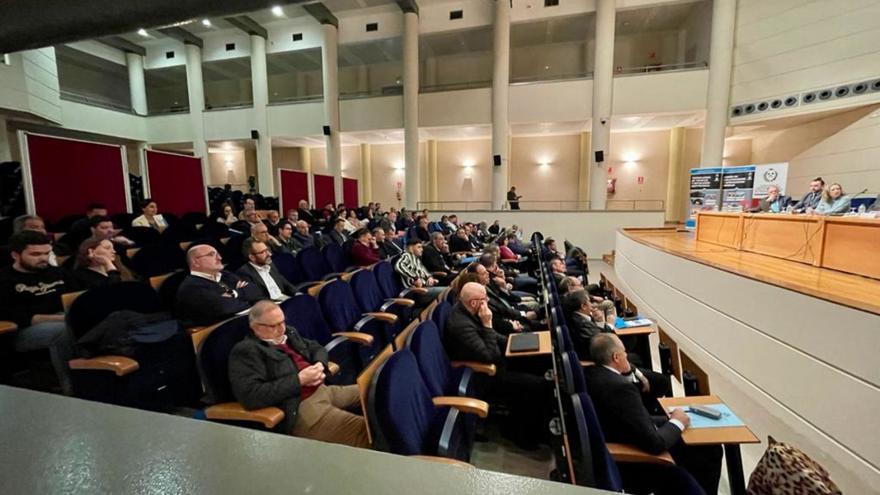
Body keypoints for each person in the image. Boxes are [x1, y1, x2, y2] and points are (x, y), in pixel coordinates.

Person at [585, 334, 722, 495]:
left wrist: (668, 420)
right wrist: (677, 422)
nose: (627, 355)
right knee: (710, 449)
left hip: (627, 439)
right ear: (616, 357)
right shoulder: (620, 388)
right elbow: (655, 444)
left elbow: (634, 420)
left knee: (704, 448)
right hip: (638, 464)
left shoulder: (593, 374)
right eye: (624, 352)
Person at [228, 301, 369, 447]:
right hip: (302, 407)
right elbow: (251, 396)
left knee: (378, 390)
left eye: (282, 322)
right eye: (273, 325)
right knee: (366, 432)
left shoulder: (289, 333)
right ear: (256, 327)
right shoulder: (247, 350)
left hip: (324, 390)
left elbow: (317, 348)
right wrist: (299, 380)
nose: (281, 329)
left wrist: (319, 364)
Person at [443, 282, 549, 449]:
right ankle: (521, 435)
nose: (487, 301)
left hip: (495, 361)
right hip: (483, 375)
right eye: (484, 299)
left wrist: (514, 342)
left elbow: (493, 339)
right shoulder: (461, 325)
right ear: (474, 303)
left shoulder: (470, 310)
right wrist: (488, 324)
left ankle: (541, 426)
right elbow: (490, 357)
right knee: (538, 385)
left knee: (539, 360)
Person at [0, 230, 78, 395]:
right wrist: (62, 319)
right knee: (63, 331)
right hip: (20, 331)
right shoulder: (4, 280)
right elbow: (17, 316)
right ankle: (71, 389)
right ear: (15, 255)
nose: (43, 258)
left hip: (62, 317)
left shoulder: (58, 273)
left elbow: (77, 295)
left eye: (46, 253)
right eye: (35, 254)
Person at [175, 244, 261, 327]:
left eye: (218, 254)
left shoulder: (225, 275)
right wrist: (246, 297)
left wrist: (234, 294)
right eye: (211, 255)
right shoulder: (191, 287)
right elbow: (224, 308)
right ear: (196, 262)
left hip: (248, 321)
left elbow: (256, 291)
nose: (220, 258)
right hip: (225, 331)